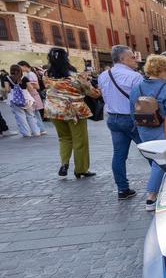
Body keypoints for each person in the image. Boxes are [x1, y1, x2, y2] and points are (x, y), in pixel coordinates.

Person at [130, 54, 166, 212]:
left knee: (156, 160)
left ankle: (160, 188)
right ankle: (151, 197)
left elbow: (132, 112)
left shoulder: (137, 88)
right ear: (160, 70)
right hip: (162, 129)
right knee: (160, 161)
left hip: (143, 129)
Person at [43, 48, 102, 178]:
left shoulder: (46, 75)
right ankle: (81, 169)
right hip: (75, 111)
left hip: (54, 111)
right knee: (80, 141)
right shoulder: (75, 76)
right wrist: (98, 89)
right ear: (66, 59)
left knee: (64, 138)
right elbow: (93, 93)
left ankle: (64, 163)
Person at [98, 45, 145, 199]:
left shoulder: (103, 75)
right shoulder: (135, 76)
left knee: (119, 155)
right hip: (131, 118)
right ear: (123, 59)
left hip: (113, 118)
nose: (136, 60)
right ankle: (160, 185)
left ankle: (122, 189)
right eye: (132, 57)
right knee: (150, 151)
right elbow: (142, 99)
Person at [4, 64, 45, 137]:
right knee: (31, 116)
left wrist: (13, 89)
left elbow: (7, 90)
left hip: (15, 100)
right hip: (27, 98)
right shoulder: (24, 78)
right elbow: (30, 89)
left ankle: (26, 133)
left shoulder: (7, 78)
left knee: (20, 117)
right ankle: (36, 132)